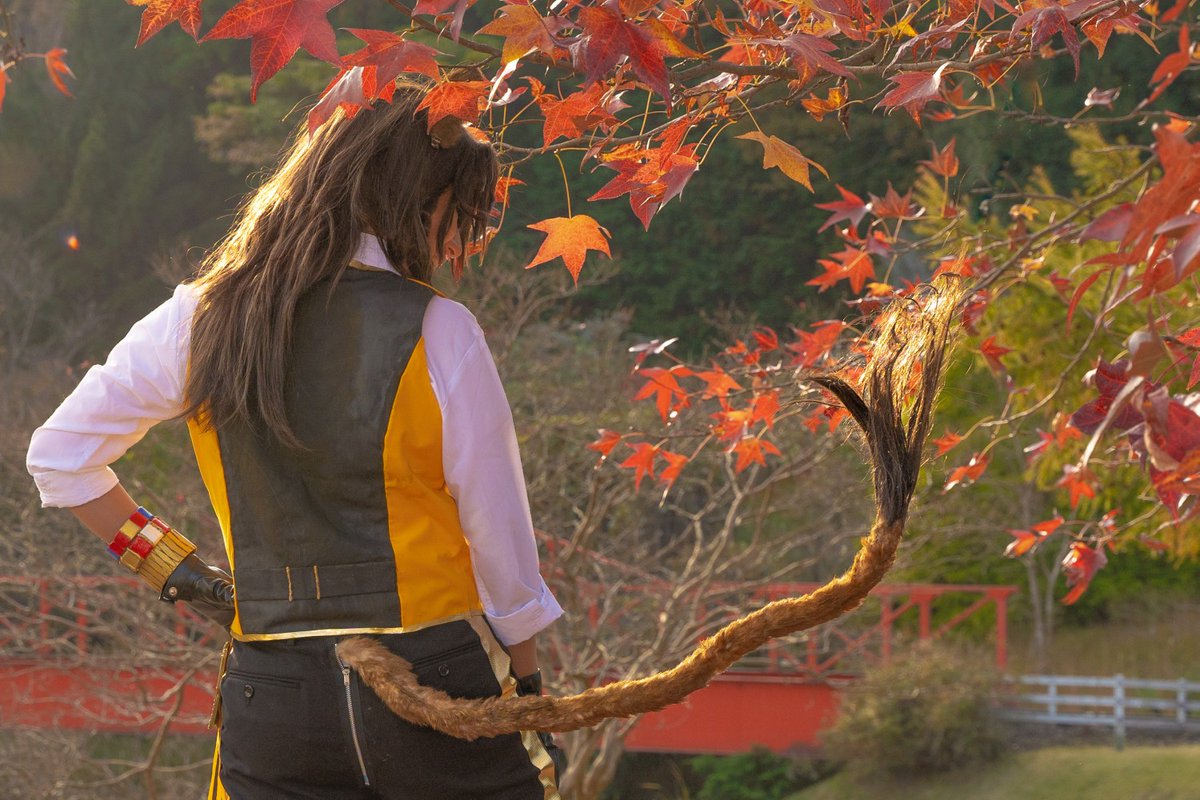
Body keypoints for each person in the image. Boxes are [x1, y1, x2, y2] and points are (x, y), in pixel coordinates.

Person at [26, 83, 565, 799]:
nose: (451, 240)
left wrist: (181, 575)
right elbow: (501, 545)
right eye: (455, 214)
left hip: (271, 693)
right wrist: (527, 680)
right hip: (435, 680)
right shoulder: (440, 328)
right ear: (419, 198)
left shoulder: (197, 318)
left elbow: (60, 458)